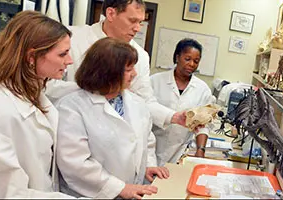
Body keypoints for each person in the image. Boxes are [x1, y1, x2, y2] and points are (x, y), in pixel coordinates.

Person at [0, 11, 74, 198]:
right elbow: (6, 194)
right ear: (31, 57)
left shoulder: (32, 93)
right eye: (62, 54)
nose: (70, 61)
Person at [56, 37, 169, 199]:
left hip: (132, 191)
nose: (135, 74)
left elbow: (147, 142)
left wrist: (147, 166)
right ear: (108, 72)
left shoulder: (137, 104)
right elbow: (75, 162)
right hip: (91, 195)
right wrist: (119, 188)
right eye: (128, 69)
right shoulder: (72, 107)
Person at [64, 0, 185, 129]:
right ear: (111, 14)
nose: (137, 28)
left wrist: (175, 117)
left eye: (140, 22)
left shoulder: (141, 56)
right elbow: (48, 85)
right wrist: (95, 90)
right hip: (71, 123)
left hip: (112, 132)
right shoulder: (71, 39)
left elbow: (144, 100)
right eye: (132, 21)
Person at [150, 38, 215, 166]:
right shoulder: (155, 81)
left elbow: (203, 126)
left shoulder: (202, 89)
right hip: (151, 148)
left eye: (196, 61)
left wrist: (200, 150)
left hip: (180, 152)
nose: (192, 64)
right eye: (187, 59)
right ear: (177, 57)